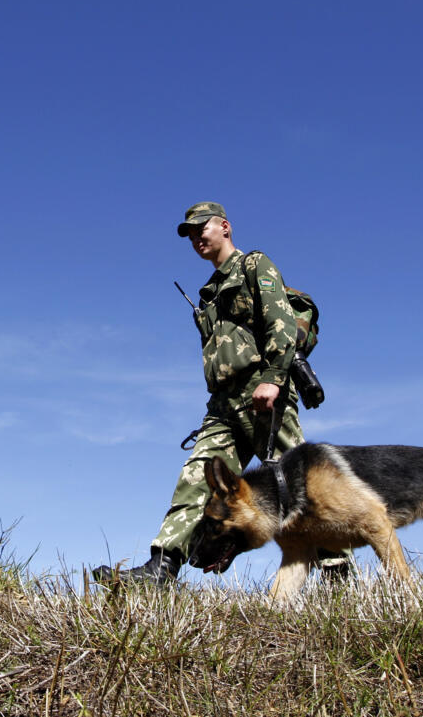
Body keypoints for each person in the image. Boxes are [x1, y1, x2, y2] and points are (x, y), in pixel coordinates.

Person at [92, 202, 343, 584]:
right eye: (190, 234)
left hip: (262, 393)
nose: (196, 238)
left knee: (299, 484)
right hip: (222, 405)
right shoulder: (207, 294)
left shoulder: (254, 265)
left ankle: (337, 575)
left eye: (201, 229)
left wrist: (273, 379)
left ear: (224, 227)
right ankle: (162, 566)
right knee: (196, 477)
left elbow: (279, 324)